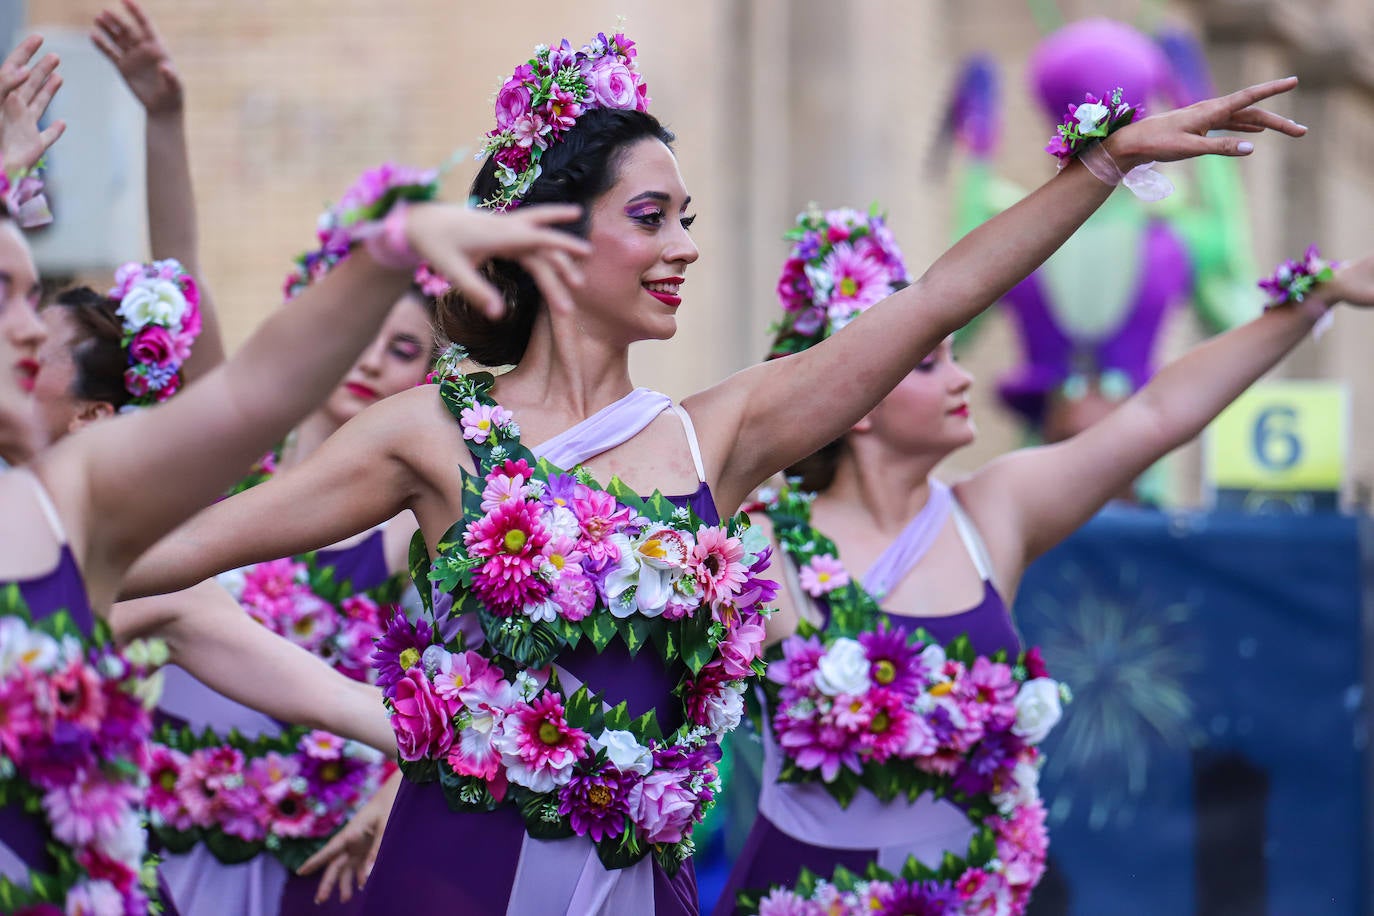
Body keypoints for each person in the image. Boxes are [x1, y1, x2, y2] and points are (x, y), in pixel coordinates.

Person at [118, 26, 1306, 915]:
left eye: (690, 216)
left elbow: (942, 294)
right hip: (456, 875)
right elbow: (154, 567)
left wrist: (1096, 172)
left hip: (643, 886)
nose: (687, 245)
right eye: (655, 215)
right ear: (556, 235)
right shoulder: (438, 431)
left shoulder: (715, 436)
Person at [0, 27, 592, 910]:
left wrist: (443, 760)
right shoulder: (213, 494)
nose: (34, 330)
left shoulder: (396, 524)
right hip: (176, 837)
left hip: (304, 863)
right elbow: (210, 327)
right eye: (10, 298)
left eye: (399, 348)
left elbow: (249, 394)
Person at [711, 204, 1374, 914]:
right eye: (930, 362)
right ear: (859, 392)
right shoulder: (760, 545)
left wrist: (1315, 299)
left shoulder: (992, 512)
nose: (965, 381)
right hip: (803, 896)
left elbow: (1157, 415)